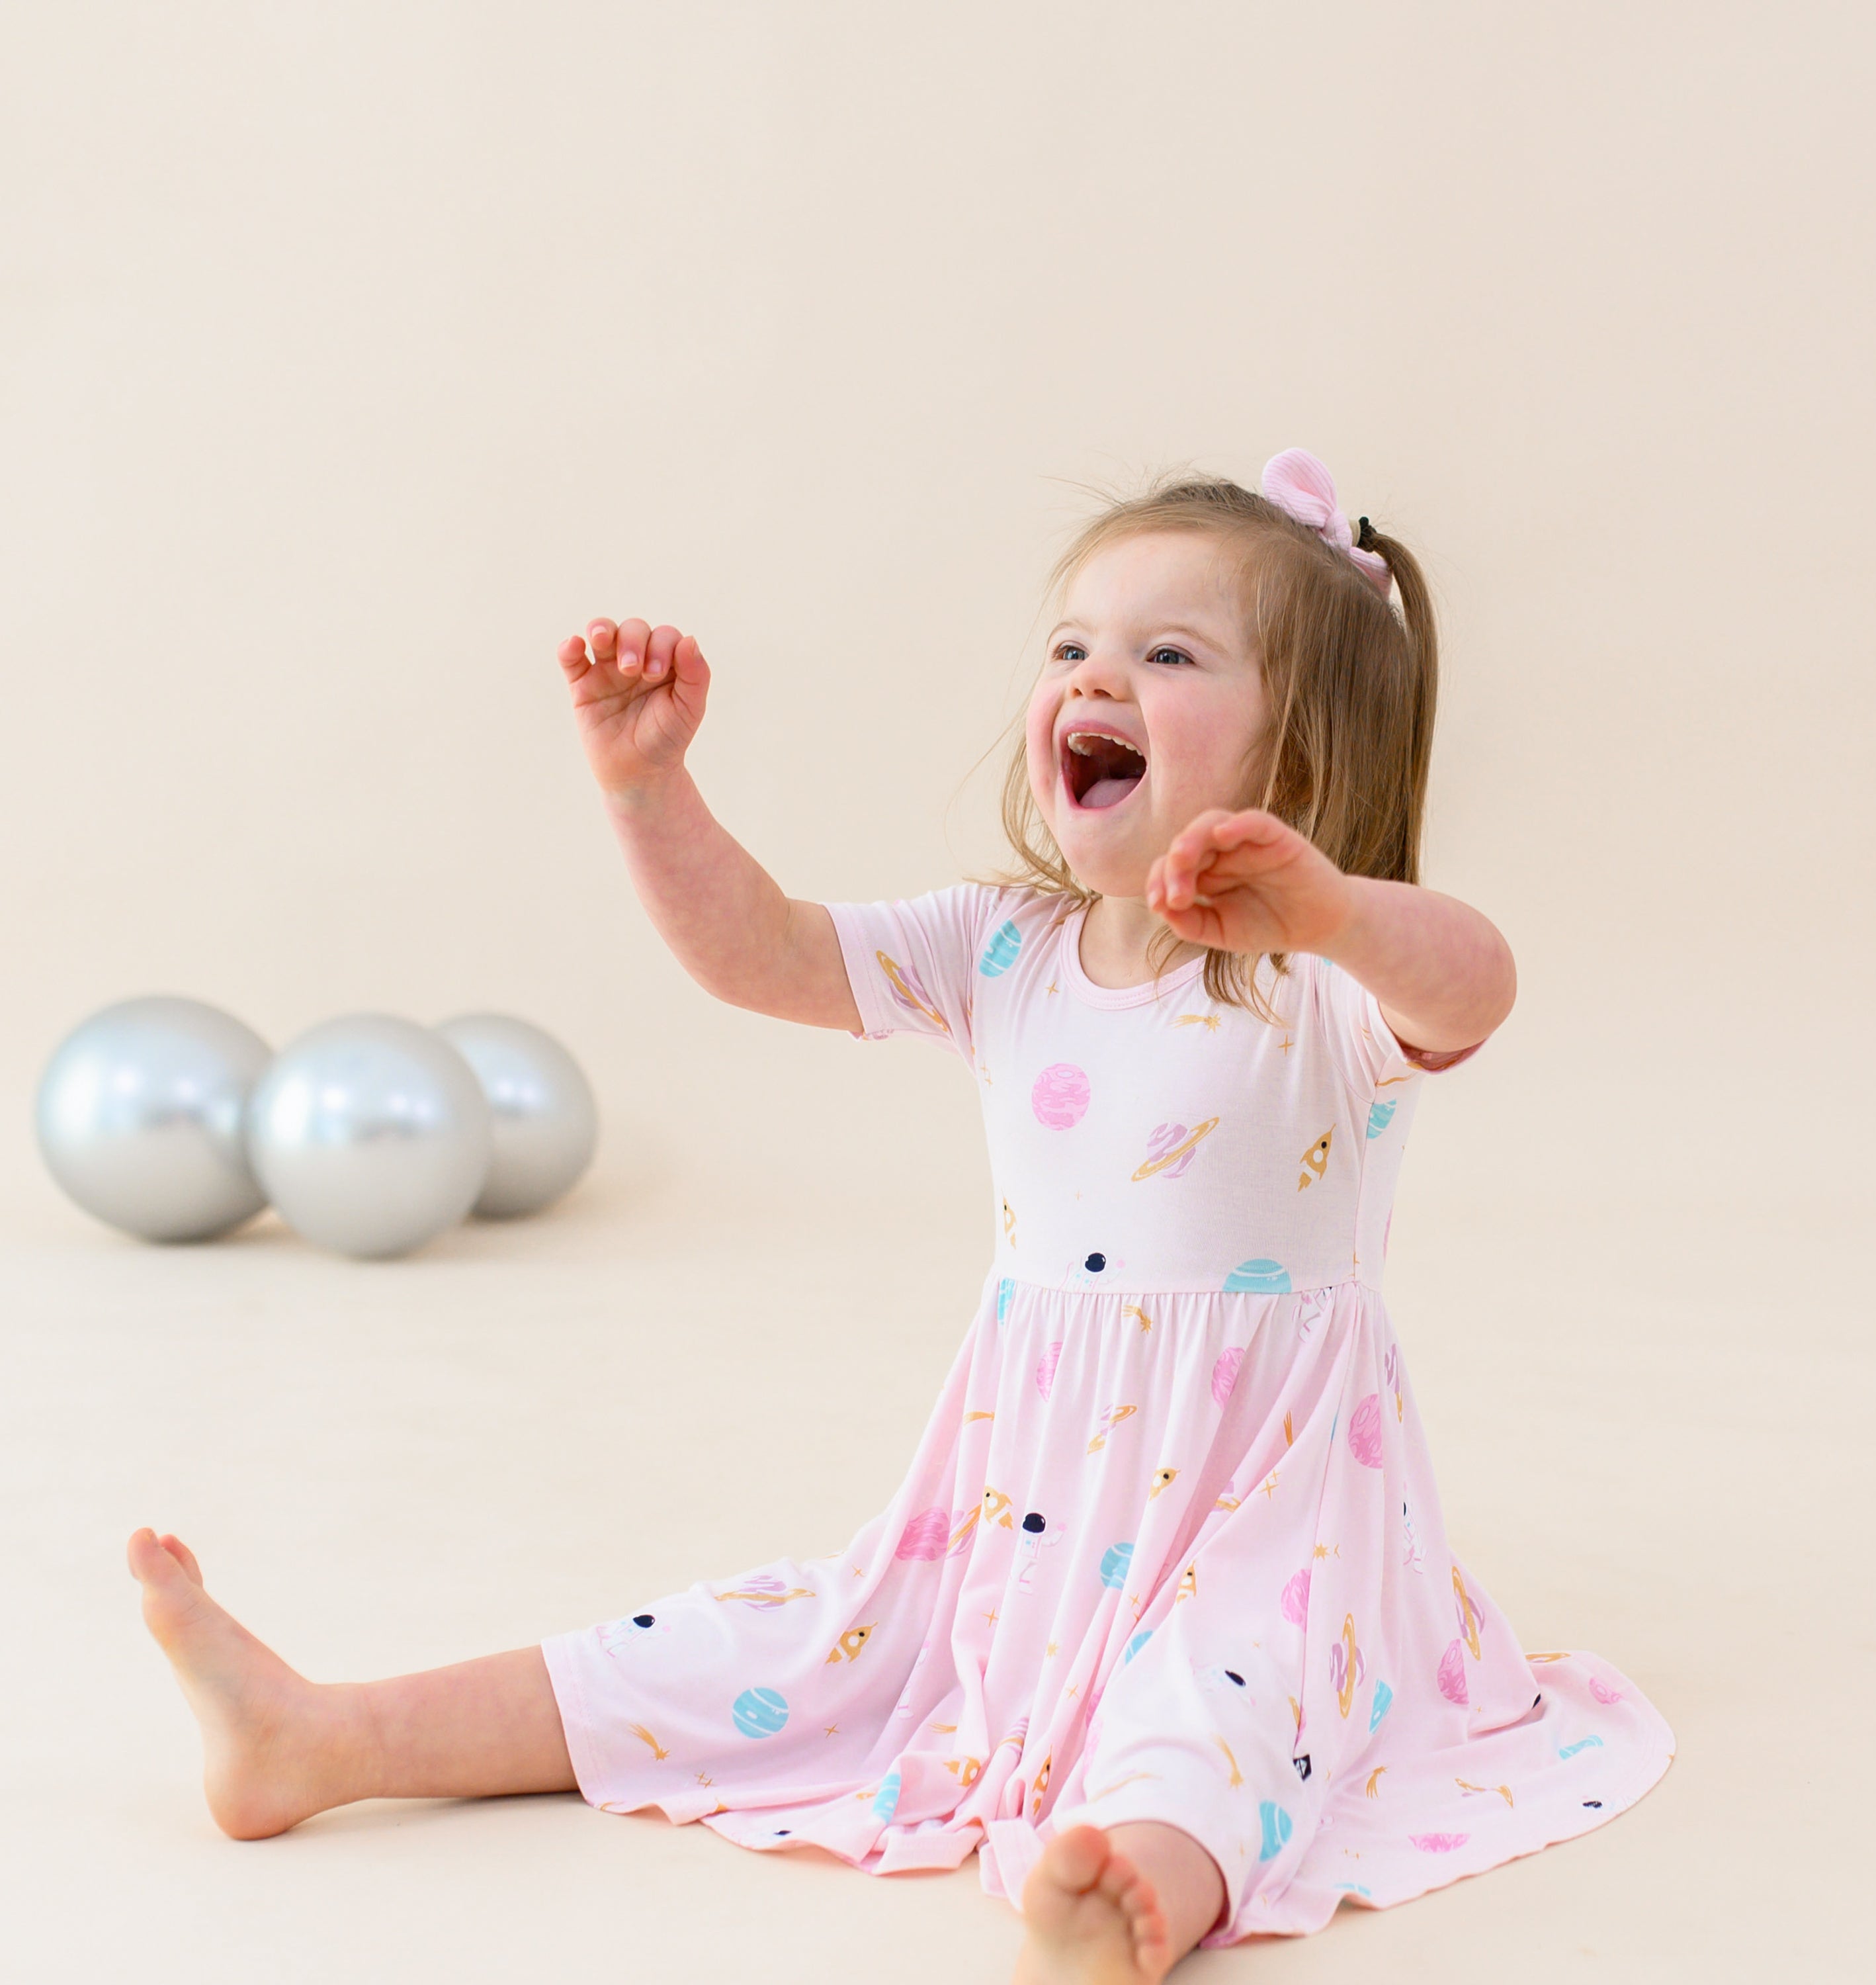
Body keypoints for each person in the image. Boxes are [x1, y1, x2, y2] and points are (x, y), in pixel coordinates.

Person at [128, 447, 1672, 1982]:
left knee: (1230, 1704)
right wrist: (647, 784)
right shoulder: (1007, 950)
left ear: (1308, 748)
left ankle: (1122, 1899)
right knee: (755, 1647)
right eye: (1073, 646)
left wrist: (1328, 906)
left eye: (1168, 653)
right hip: (1015, 1509)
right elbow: (765, 950)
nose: (1096, 677)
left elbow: (1476, 980)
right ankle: (322, 1737)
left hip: (1269, 1518)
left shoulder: (1322, 984)